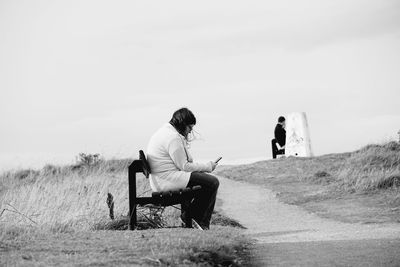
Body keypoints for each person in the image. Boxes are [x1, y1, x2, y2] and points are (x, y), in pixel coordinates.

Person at [146, 107, 219, 230]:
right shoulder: (172, 137)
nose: (190, 131)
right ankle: (193, 219)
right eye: (190, 127)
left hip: (163, 179)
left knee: (207, 183)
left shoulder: (166, 133)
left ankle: (197, 220)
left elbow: (183, 163)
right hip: (167, 181)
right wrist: (208, 166)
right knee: (212, 182)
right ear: (182, 123)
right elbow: (184, 166)